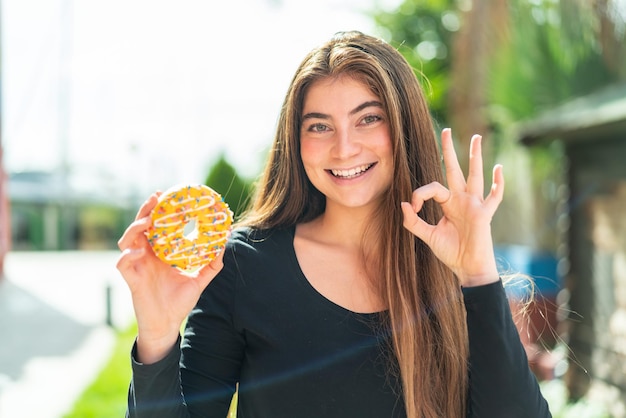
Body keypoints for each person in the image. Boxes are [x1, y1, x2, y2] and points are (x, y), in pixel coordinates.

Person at [117, 31, 552, 418]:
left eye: (368, 118)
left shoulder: (451, 266)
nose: (344, 149)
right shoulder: (242, 266)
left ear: (403, 127)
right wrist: (157, 335)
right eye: (320, 126)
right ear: (296, 143)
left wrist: (477, 275)